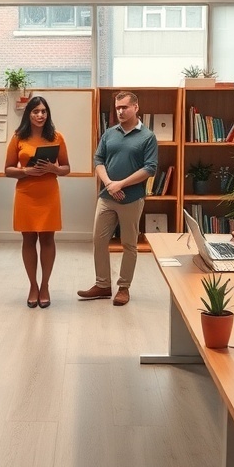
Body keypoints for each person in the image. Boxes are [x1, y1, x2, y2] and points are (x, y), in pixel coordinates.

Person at [78, 91, 158, 306]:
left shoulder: (147, 137)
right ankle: (103, 285)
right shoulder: (109, 133)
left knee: (129, 244)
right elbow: (98, 159)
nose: (120, 111)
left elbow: (150, 168)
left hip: (131, 198)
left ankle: (124, 287)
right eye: (118, 108)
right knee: (99, 240)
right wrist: (108, 184)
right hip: (106, 196)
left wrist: (120, 184)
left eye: (125, 107)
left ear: (136, 108)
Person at [4, 96, 70, 309]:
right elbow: (7, 169)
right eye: (35, 112)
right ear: (28, 114)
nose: (40, 115)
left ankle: (45, 286)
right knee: (29, 239)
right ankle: (33, 285)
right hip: (26, 193)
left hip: (49, 193)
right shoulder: (18, 137)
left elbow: (67, 168)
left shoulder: (57, 136)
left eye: (43, 111)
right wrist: (26, 171)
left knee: (48, 239)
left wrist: (54, 169)